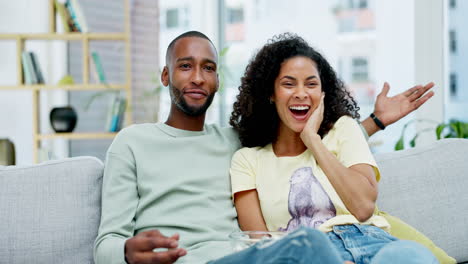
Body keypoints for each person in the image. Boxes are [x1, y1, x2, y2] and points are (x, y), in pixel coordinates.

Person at [94, 31, 446, 264]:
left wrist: (375, 123)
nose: (198, 77)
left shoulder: (233, 141)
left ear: (218, 80)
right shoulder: (133, 142)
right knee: (309, 244)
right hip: (198, 258)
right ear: (166, 75)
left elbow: (299, 146)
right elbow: (105, 242)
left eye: (209, 68)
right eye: (185, 67)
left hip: (247, 256)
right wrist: (126, 253)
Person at [227, 33, 439, 264]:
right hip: (309, 254)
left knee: (411, 255)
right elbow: (260, 246)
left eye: (311, 84)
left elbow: (363, 207)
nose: (301, 93)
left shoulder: (344, 130)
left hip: (371, 242)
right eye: (288, 84)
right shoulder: (247, 160)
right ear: (270, 93)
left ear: (323, 93)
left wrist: (313, 141)